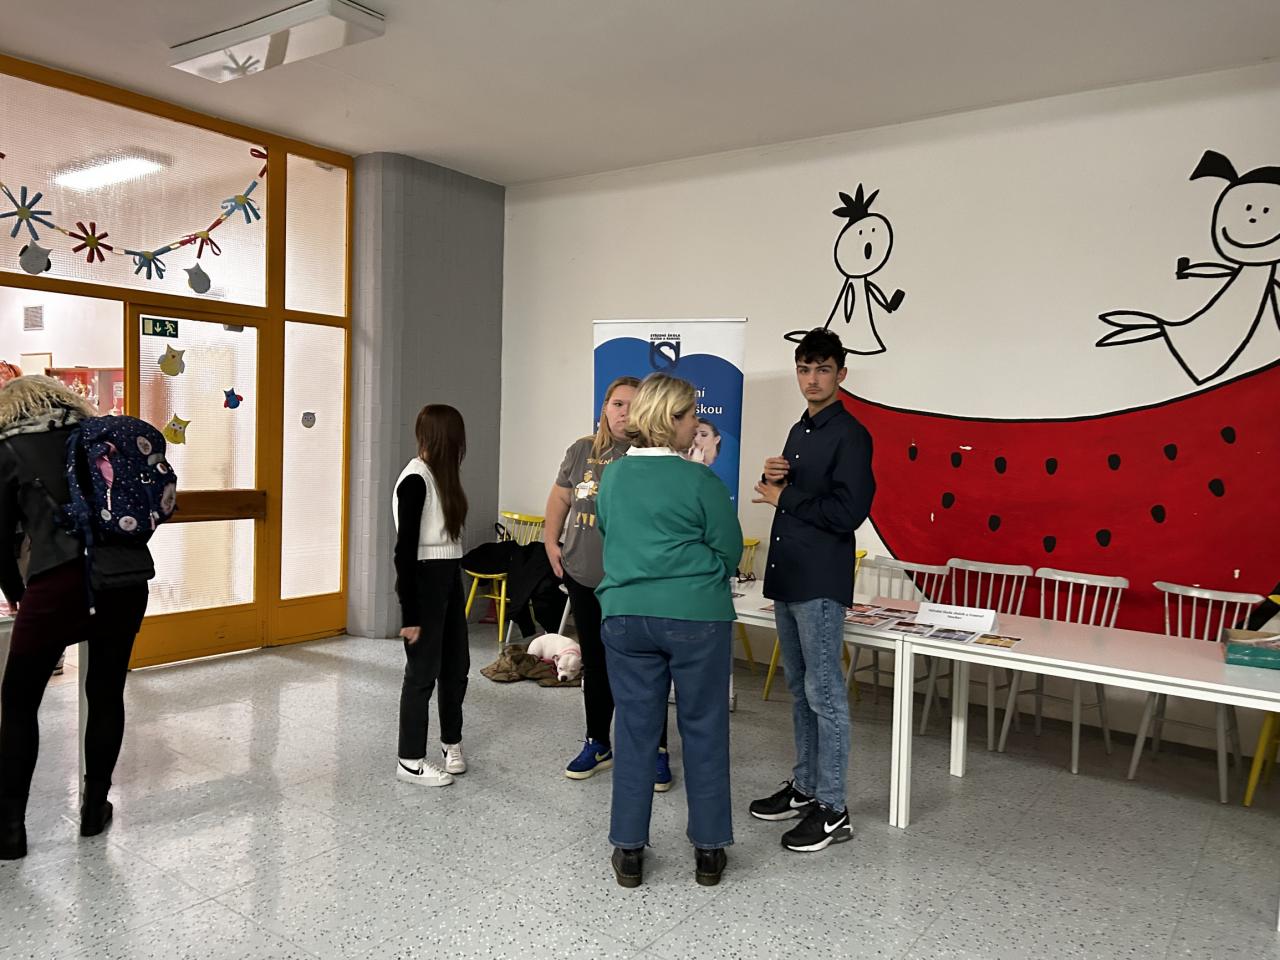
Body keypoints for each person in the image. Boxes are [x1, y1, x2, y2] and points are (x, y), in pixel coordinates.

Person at [595, 373, 743, 888]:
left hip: (625, 615)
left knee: (635, 732)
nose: (695, 425)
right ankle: (708, 852)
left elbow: (610, 534)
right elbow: (728, 550)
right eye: (690, 416)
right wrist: (695, 572)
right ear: (671, 419)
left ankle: (629, 851)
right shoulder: (700, 481)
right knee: (703, 729)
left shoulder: (613, 475)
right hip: (696, 617)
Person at [0, 376, 153, 860]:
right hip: (124, 578)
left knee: (18, 703)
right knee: (105, 692)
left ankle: (10, 830)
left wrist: (17, 594)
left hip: (56, 584)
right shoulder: (101, 437)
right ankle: (93, 809)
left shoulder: (9, 448)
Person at [749, 328, 875, 853]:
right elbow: (794, 494)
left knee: (825, 694)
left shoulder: (852, 435)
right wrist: (776, 476)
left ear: (840, 374)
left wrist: (785, 498)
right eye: (804, 369)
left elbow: (849, 513)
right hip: (789, 574)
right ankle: (805, 787)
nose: (812, 379)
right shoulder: (799, 429)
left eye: (822, 369)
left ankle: (834, 808)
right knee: (799, 689)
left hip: (820, 581)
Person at [543, 376, 672, 788]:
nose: (624, 413)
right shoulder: (582, 450)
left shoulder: (652, 457)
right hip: (584, 574)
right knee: (596, 663)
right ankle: (598, 742)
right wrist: (550, 541)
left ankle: (656, 749)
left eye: (633, 405)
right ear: (604, 407)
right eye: (617, 404)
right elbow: (561, 497)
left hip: (633, 582)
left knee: (645, 665)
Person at [393, 404, 470, 788]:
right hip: (424, 582)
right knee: (422, 674)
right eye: (457, 439)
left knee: (456, 667)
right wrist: (409, 614)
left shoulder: (444, 478)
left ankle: (450, 742)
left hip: (449, 578)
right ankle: (409, 761)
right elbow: (404, 552)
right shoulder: (415, 479)